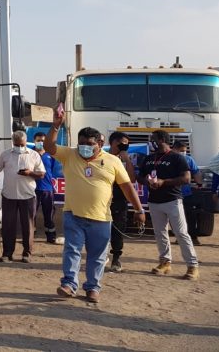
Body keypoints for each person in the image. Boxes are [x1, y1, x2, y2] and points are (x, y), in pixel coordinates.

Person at [45, 111, 145, 304]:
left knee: (98, 255)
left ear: (100, 144)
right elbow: (49, 146)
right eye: (82, 143)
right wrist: (56, 126)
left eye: (90, 144)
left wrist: (139, 210)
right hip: (73, 214)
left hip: (101, 218)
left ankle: (92, 288)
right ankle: (69, 284)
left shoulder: (113, 161)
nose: (85, 147)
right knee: (72, 250)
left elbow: (127, 187)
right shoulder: (70, 155)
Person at [139, 131, 200, 280]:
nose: (151, 142)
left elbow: (186, 178)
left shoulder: (177, 157)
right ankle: (165, 262)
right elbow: (139, 177)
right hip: (154, 201)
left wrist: (163, 182)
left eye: (153, 139)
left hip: (172, 200)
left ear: (162, 140)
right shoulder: (149, 159)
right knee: (160, 233)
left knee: (181, 233)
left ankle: (192, 266)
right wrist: (147, 181)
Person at [0, 131, 46, 263]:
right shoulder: (5, 154)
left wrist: (29, 173)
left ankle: (27, 254)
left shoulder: (34, 155)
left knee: (28, 226)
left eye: (21, 144)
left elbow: (41, 174)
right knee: (8, 226)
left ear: (25, 142)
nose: (19, 147)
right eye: (17, 144)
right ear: (13, 143)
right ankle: (7, 253)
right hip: (9, 195)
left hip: (27, 195)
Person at [107, 132, 137, 273]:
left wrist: (127, 161)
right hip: (103, 200)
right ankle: (100, 257)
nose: (124, 146)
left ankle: (116, 259)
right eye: (121, 143)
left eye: (127, 144)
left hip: (119, 201)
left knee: (117, 230)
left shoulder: (126, 160)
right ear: (113, 143)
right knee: (99, 231)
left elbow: (131, 180)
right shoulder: (103, 157)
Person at [173, 141, 204, 246]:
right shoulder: (169, 159)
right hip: (173, 194)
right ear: (175, 149)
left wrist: (199, 185)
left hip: (186, 193)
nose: (184, 153)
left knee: (189, 216)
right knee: (177, 217)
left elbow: (196, 172)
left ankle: (193, 237)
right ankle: (180, 238)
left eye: (185, 151)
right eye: (182, 151)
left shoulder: (189, 159)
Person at [32, 132, 59, 244]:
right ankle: (30, 235)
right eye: (38, 140)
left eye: (43, 140)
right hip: (32, 188)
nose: (41, 142)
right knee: (31, 214)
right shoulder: (30, 153)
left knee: (49, 214)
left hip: (47, 189)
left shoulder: (50, 154)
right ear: (34, 141)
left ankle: (50, 236)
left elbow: (51, 170)